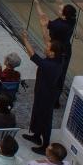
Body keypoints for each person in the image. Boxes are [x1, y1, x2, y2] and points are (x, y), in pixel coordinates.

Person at [22, 15, 68, 152]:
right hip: (44, 91)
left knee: (45, 118)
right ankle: (36, 135)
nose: (45, 47)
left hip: (46, 94)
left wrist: (25, 39)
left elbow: (32, 55)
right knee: (37, 113)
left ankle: (45, 144)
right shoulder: (59, 58)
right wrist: (44, 28)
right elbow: (48, 40)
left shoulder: (49, 65)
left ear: (52, 53)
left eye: (48, 47)